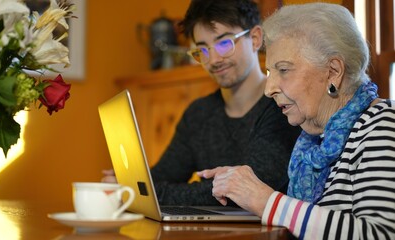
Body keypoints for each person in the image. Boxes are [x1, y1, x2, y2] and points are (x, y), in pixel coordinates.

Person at [198, 2, 395, 239]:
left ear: (333, 71)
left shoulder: (382, 125)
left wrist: (265, 201)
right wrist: (241, 188)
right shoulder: (311, 143)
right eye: (270, 72)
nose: (269, 89)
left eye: (283, 70)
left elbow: (382, 234)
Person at [103, 0, 301, 206]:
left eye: (224, 44)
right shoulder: (199, 113)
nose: (214, 59)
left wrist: (141, 191)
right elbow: (162, 176)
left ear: (255, 38)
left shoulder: (283, 107)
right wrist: (127, 183)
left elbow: (241, 193)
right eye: (203, 51)